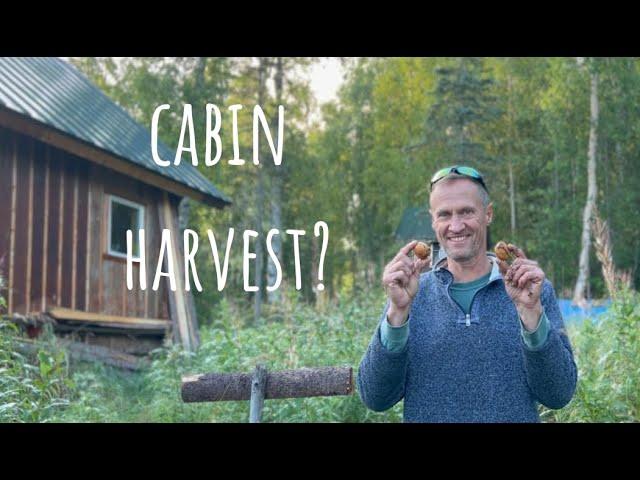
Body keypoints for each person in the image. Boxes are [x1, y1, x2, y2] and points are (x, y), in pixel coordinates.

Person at [357, 165, 577, 422]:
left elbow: (558, 394)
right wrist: (397, 313)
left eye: (466, 212)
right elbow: (375, 397)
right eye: (444, 215)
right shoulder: (411, 295)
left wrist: (531, 314)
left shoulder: (531, 291)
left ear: (488, 214)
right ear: (433, 221)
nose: (456, 225)